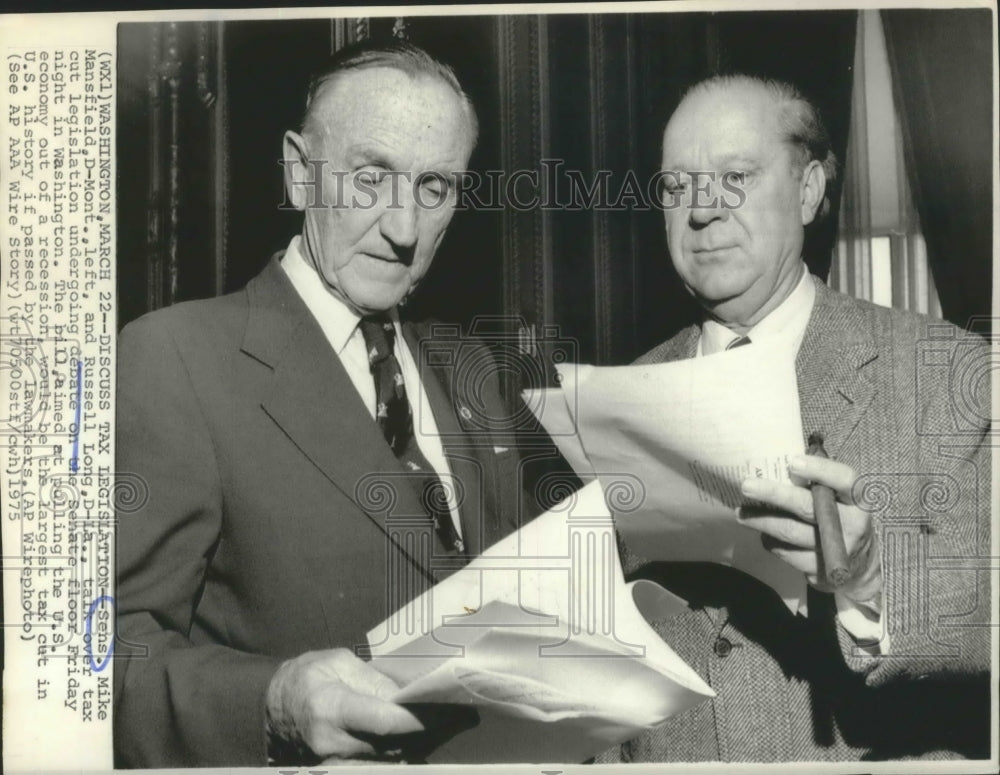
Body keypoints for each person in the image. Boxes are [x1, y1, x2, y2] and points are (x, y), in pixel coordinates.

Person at [114, 41, 536, 767]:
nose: (404, 229)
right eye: (371, 178)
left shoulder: (474, 371)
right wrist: (273, 703)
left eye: (434, 187)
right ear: (299, 171)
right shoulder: (175, 357)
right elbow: (98, 662)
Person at [600, 74, 992, 761]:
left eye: (736, 177)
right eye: (676, 186)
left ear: (808, 190)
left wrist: (873, 579)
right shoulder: (618, 399)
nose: (701, 210)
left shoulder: (949, 371)